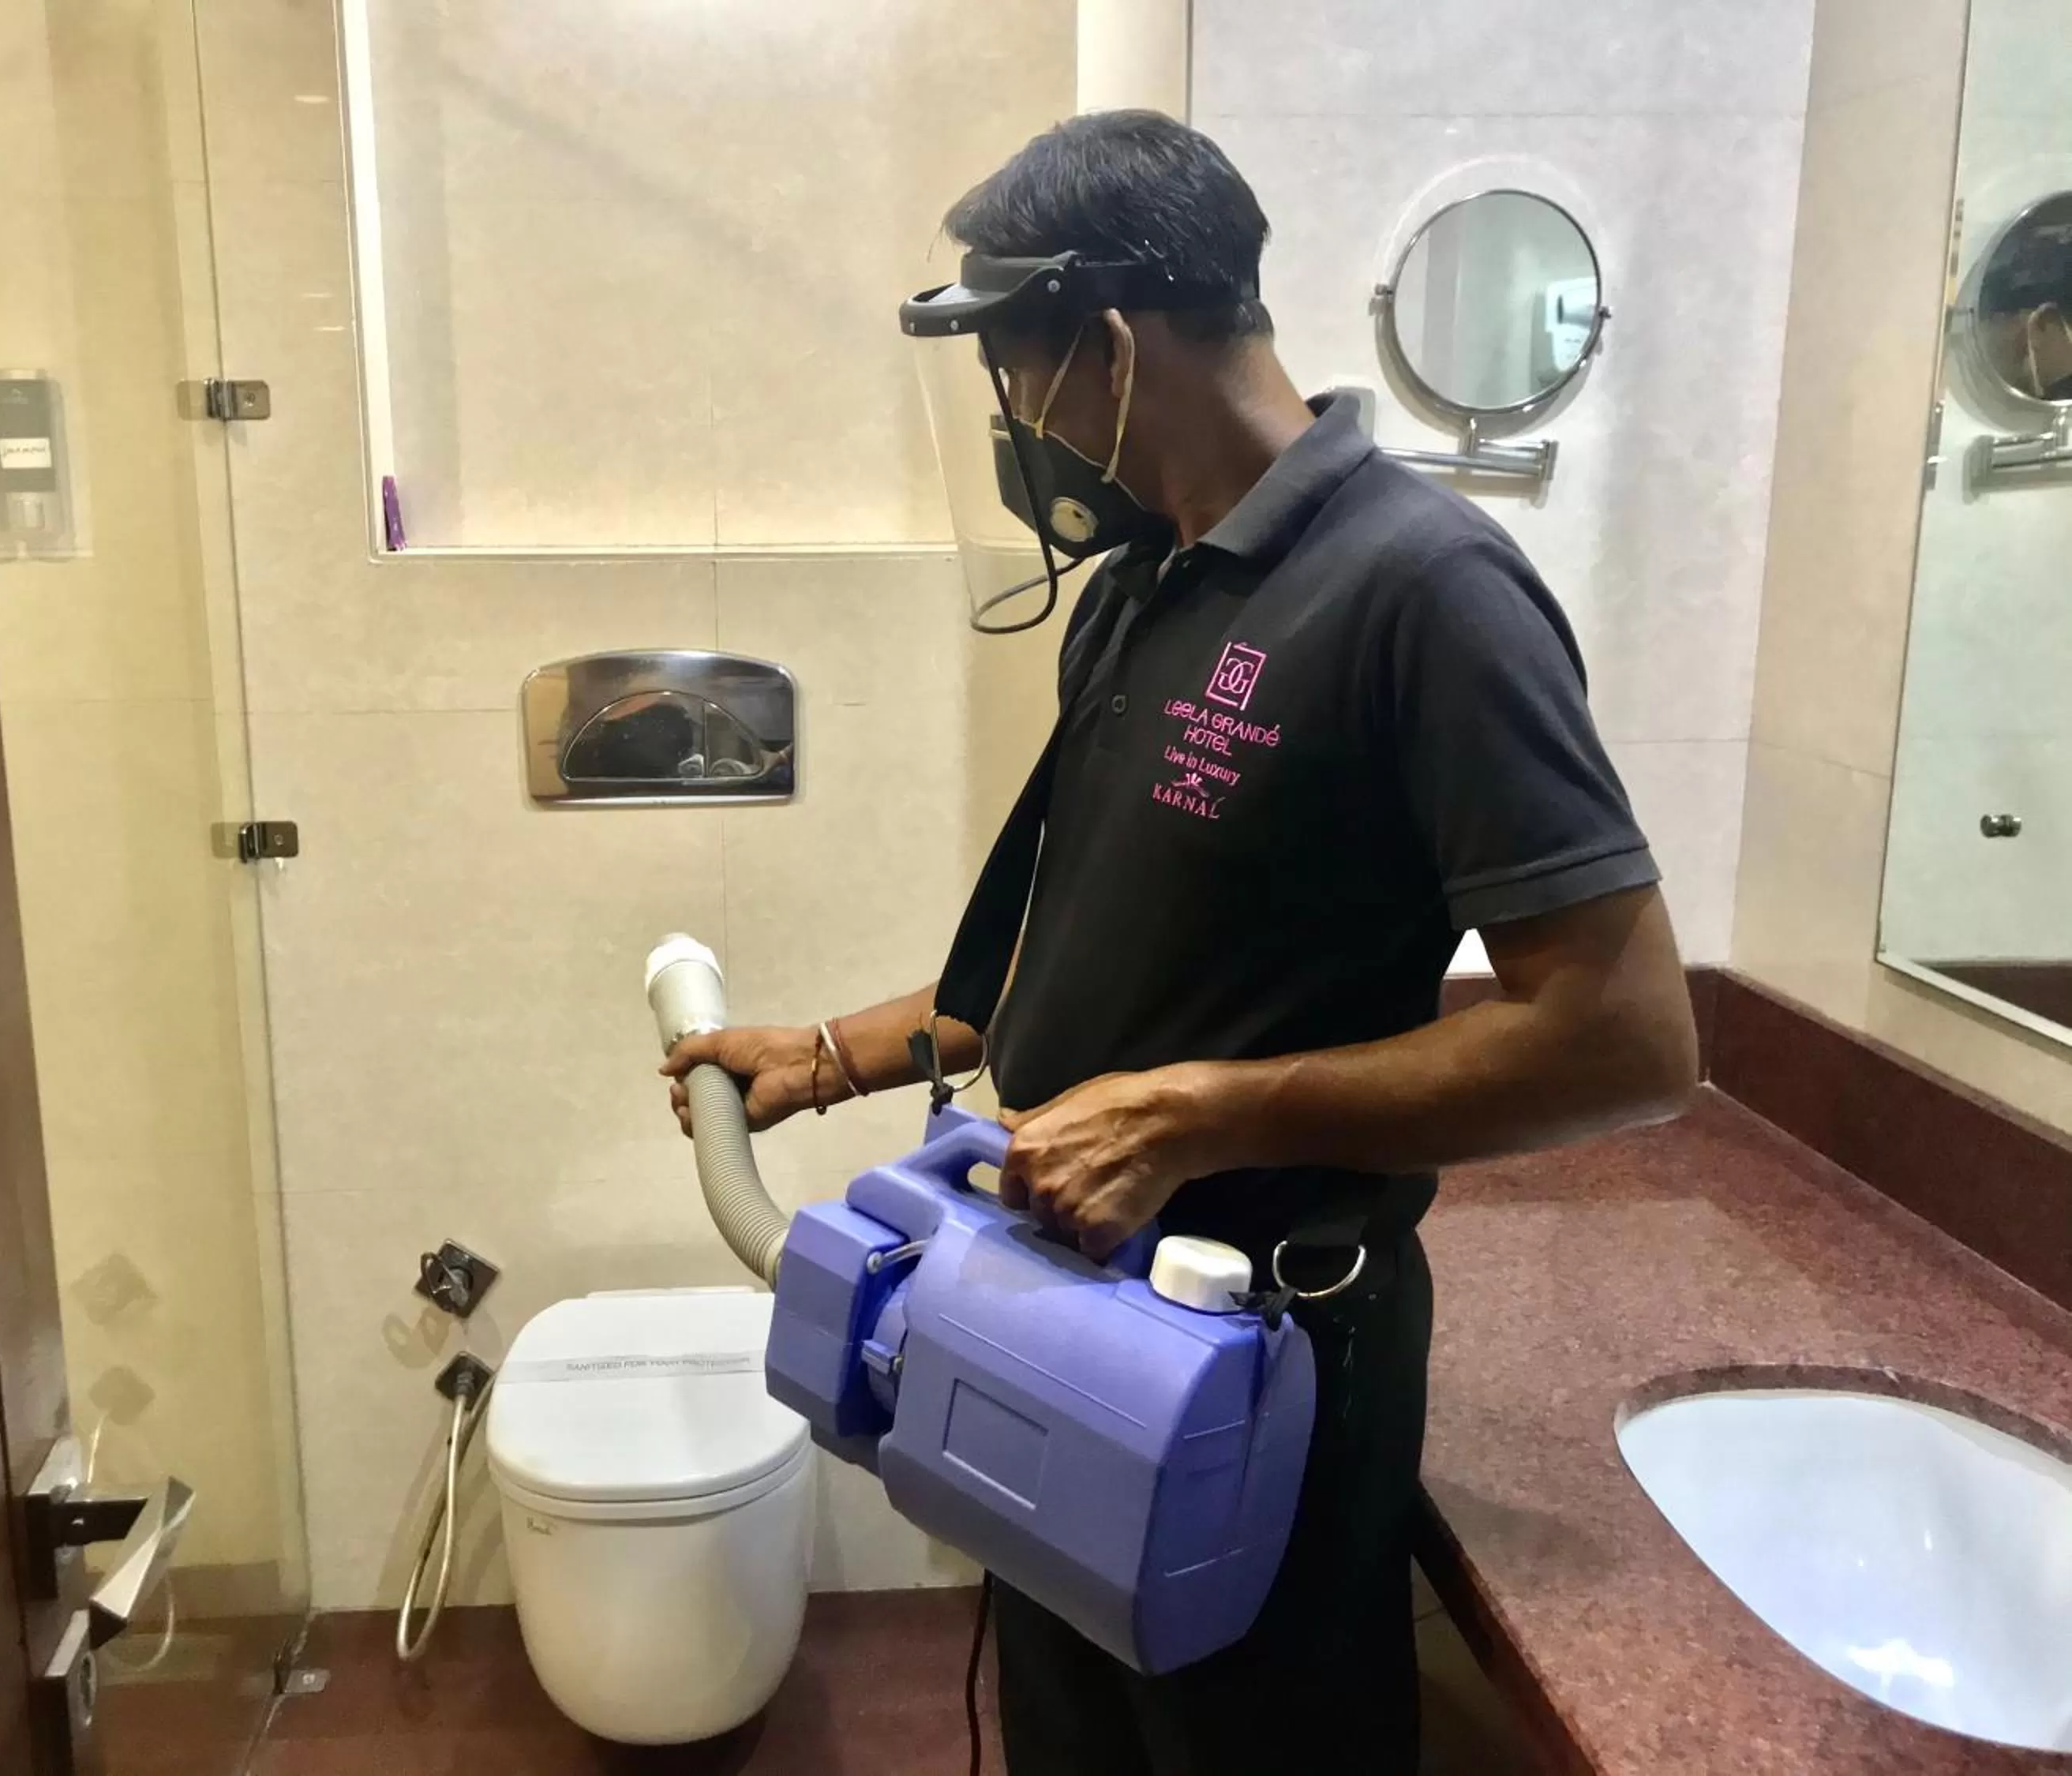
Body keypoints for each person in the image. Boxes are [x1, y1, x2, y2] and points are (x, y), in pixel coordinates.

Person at [661, 111, 1698, 1776]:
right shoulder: (1142, 588)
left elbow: (1628, 1039)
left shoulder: (1424, 589)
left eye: (1016, 370)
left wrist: (1203, 1115)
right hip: (1069, 1299)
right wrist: (836, 1051)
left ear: (1116, 347)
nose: (1014, 420)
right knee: (1083, 1729)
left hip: (1255, 1347)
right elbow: (1096, 956)